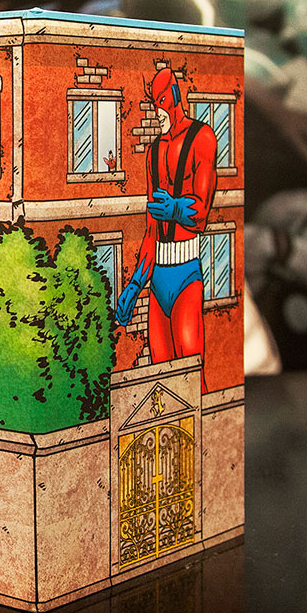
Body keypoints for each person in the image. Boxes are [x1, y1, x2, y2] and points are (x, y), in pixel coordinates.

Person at [116, 67, 218, 390]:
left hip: (186, 274)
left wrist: (176, 209)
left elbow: (202, 211)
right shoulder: (154, 152)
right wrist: (136, 283)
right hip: (158, 276)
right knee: (162, 379)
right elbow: (151, 230)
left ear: (173, 98)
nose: (156, 112)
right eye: (153, 104)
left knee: (190, 376)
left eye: (160, 103)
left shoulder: (202, 138)